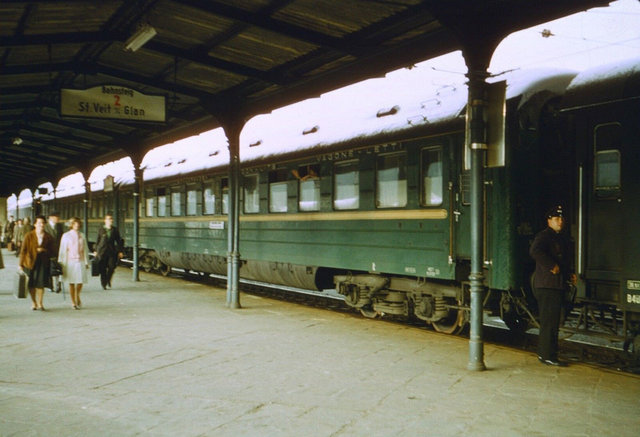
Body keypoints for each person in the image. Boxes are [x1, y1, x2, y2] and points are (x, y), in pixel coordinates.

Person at [530, 205, 576, 367]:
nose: (560, 222)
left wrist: (569, 273)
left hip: (555, 285)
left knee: (553, 322)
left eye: (561, 219)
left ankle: (549, 354)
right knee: (549, 322)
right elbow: (535, 251)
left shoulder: (559, 237)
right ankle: (547, 356)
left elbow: (562, 259)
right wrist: (551, 266)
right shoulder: (544, 236)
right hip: (547, 285)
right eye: (556, 219)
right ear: (549, 221)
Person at [18, 215, 55, 311]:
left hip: (42, 262)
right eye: (39, 223)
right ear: (35, 224)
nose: (41, 225)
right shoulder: (29, 236)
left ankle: (40, 302)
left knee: (41, 283)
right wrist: (20, 265)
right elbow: (23, 250)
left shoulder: (48, 237)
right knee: (31, 284)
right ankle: (33, 302)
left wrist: (44, 250)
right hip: (30, 262)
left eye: (43, 223)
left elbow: (53, 251)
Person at [58, 217, 90, 309]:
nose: (77, 225)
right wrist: (60, 262)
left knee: (80, 282)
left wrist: (87, 262)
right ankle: (73, 302)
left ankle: (77, 295)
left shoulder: (82, 235)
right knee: (71, 282)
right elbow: (62, 249)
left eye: (78, 223)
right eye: (75, 223)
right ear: (71, 225)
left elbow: (85, 249)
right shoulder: (66, 235)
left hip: (80, 261)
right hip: (69, 262)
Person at [94, 213, 124, 290]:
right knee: (102, 268)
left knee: (112, 267)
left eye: (111, 219)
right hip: (102, 251)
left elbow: (118, 241)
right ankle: (103, 283)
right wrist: (95, 250)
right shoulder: (101, 229)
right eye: (108, 219)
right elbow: (97, 240)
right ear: (105, 220)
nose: (110, 220)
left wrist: (120, 251)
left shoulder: (115, 230)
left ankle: (108, 279)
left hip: (111, 251)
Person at [45, 211, 65, 292]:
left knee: (57, 268)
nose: (58, 219)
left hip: (58, 250)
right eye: (57, 217)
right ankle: (50, 285)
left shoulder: (60, 226)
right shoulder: (45, 227)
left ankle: (58, 286)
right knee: (48, 268)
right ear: (51, 217)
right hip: (47, 251)